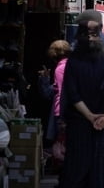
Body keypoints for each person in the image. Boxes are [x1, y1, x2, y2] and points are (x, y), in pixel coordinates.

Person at [59, 10, 104, 188]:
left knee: (76, 172)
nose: (91, 38)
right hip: (103, 126)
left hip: (80, 124)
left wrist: (91, 116)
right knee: (98, 173)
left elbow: (72, 94)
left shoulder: (73, 60)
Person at [38, 39, 72, 167]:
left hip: (62, 111)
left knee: (61, 144)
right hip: (67, 111)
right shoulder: (70, 65)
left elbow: (63, 92)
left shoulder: (60, 69)